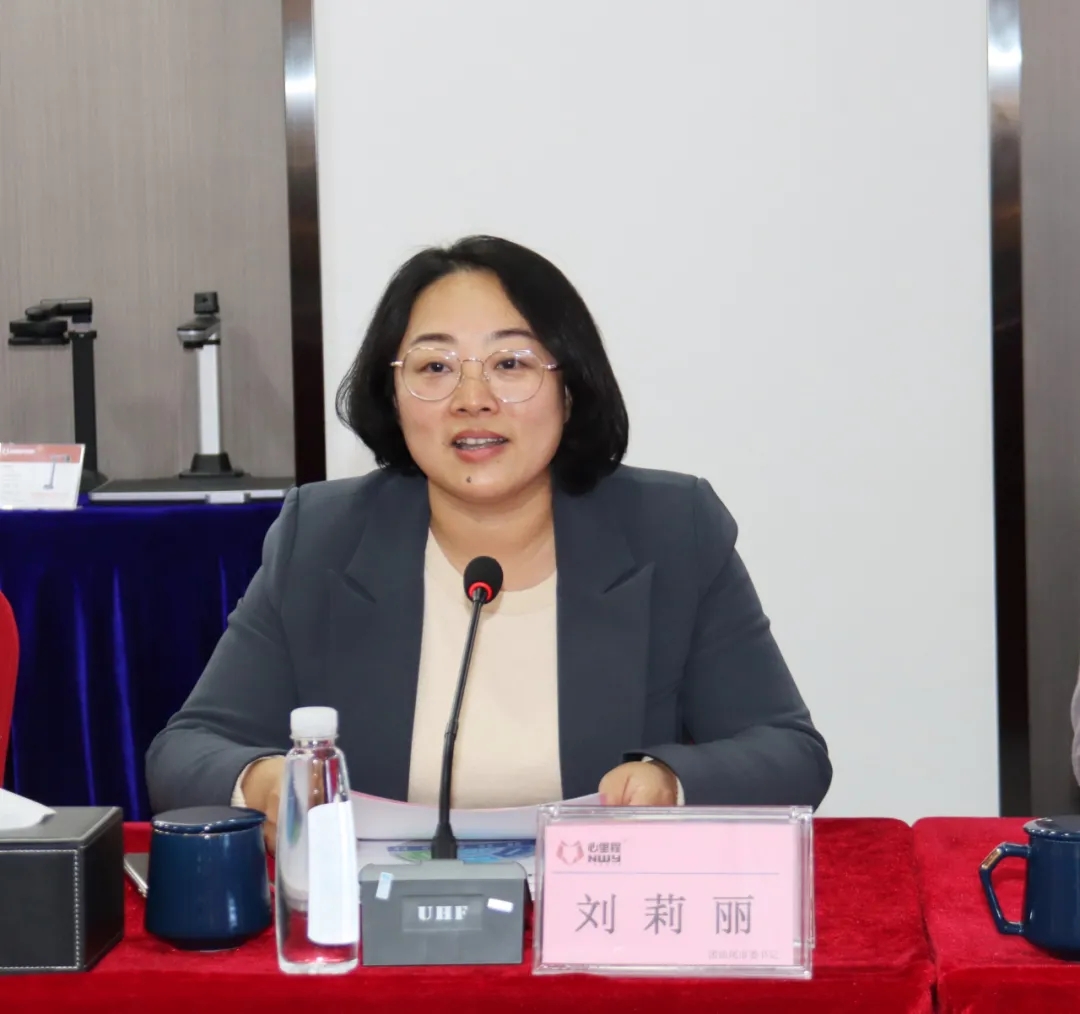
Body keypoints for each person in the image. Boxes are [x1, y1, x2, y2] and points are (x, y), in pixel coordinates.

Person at [146, 235, 831, 847]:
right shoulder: (324, 537)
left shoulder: (671, 528)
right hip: (387, 925)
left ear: (570, 387)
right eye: (435, 367)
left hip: (599, 919)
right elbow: (187, 751)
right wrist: (262, 780)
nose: (472, 398)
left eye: (510, 363)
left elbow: (790, 752)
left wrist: (669, 781)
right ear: (394, 395)